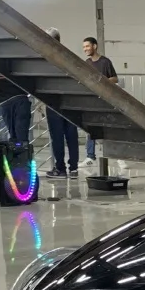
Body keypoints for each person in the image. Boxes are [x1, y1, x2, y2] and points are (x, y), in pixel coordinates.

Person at [43, 28, 79, 178]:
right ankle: (74, 168)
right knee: (72, 136)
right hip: (71, 102)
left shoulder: (46, 58)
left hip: (54, 102)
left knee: (57, 137)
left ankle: (60, 169)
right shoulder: (69, 57)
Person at [81, 36, 118, 165]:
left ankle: (118, 157)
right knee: (90, 128)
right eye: (84, 47)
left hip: (105, 100)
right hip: (92, 100)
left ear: (95, 46)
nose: (85, 49)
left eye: (87, 46)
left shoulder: (105, 62)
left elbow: (115, 78)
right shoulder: (87, 63)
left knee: (110, 128)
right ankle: (90, 156)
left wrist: (102, 81)